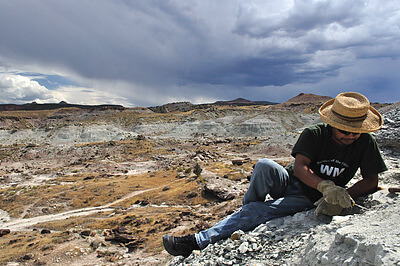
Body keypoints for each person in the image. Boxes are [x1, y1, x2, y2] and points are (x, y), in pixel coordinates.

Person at [162, 92, 387, 257]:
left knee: (259, 210)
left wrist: (341, 195)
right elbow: (300, 167)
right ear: (331, 123)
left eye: (356, 132)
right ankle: (248, 213)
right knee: (263, 165)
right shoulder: (315, 134)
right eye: (344, 130)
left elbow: (371, 181)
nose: (350, 136)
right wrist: (326, 186)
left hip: (308, 197)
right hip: (292, 181)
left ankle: (197, 241)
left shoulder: (366, 143)